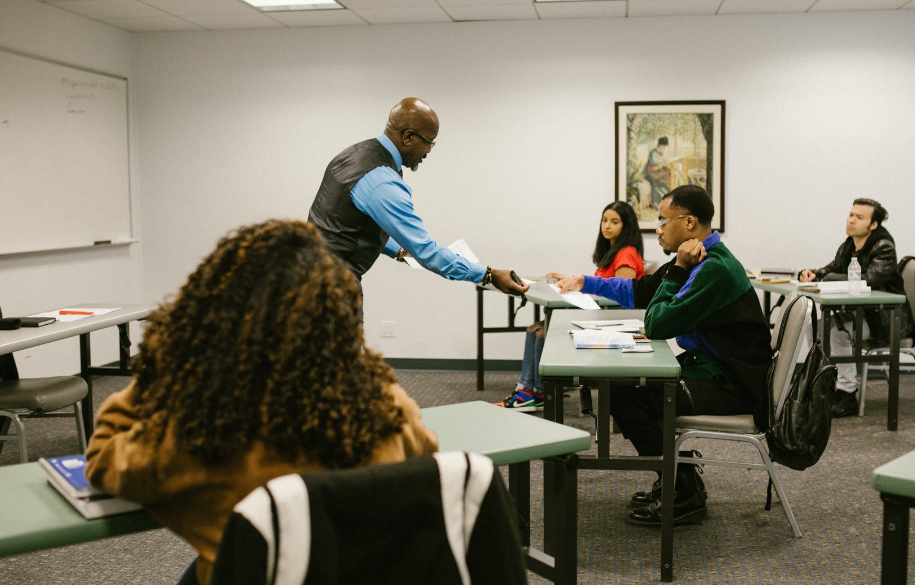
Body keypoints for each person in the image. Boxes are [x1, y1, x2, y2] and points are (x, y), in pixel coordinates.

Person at [84, 220, 439, 585]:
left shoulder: (192, 438)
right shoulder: (386, 406)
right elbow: (426, 455)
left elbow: (102, 457)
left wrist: (163, 365)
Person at [556, 185, 772, 527]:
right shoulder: (699, 260)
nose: (657, 229)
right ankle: (678, 476)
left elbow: (656, 323)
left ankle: (682, 487)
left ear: (689, 223)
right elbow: (645, 295)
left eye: (662, 220)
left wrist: (677, 271)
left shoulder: (711, 268)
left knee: (625, 393)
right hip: (714, 371)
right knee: (628, 388)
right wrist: (587, 281)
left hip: (732, 384)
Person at [307, 97, 527, 307]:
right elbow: (429, 254)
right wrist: (490, 274)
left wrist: (401, 251)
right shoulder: (383, 182)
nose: (429, 151)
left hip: (306, 279)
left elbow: (349, 226)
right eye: (428, 143)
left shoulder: (353, 154)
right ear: (408, 137)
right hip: (331, 293)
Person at [497, 201, 645, 410]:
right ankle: (528, 389)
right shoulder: (612, 252)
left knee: (543, 330)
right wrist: (570, 281)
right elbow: (601, 288)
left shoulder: (626, 253)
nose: (607, 226)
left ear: (626, 226)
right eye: (604, 220)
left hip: (613, 322)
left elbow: (621, 297)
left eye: (614, 222)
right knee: (535, 328)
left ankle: (537, 391)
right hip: (601, 316)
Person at [799, 198, 905, 418]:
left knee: (836, 332)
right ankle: (824, 383)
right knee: (813, 324)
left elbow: (870, 279)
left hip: (884, 319)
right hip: (861, 314)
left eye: (859, 217)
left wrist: (827, 277)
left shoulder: (883, 246)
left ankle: (847, 394)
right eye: (851, 214)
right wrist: (814, 273)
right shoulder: (850, 244)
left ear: (873, 225)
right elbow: (833, 268)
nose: (851, 220)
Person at [643, 137, 672, 207]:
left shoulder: (662, 153)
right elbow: (655, 163)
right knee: (656, 184)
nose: (664, 148)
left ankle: (666, 201)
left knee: (666, 180)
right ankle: (656, 203)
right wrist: (662, 163)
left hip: (657, 172)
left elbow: (664, 162)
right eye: (663, 146)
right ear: (659, 145)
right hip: (650, 173)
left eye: (665, 146)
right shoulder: (653, 153)